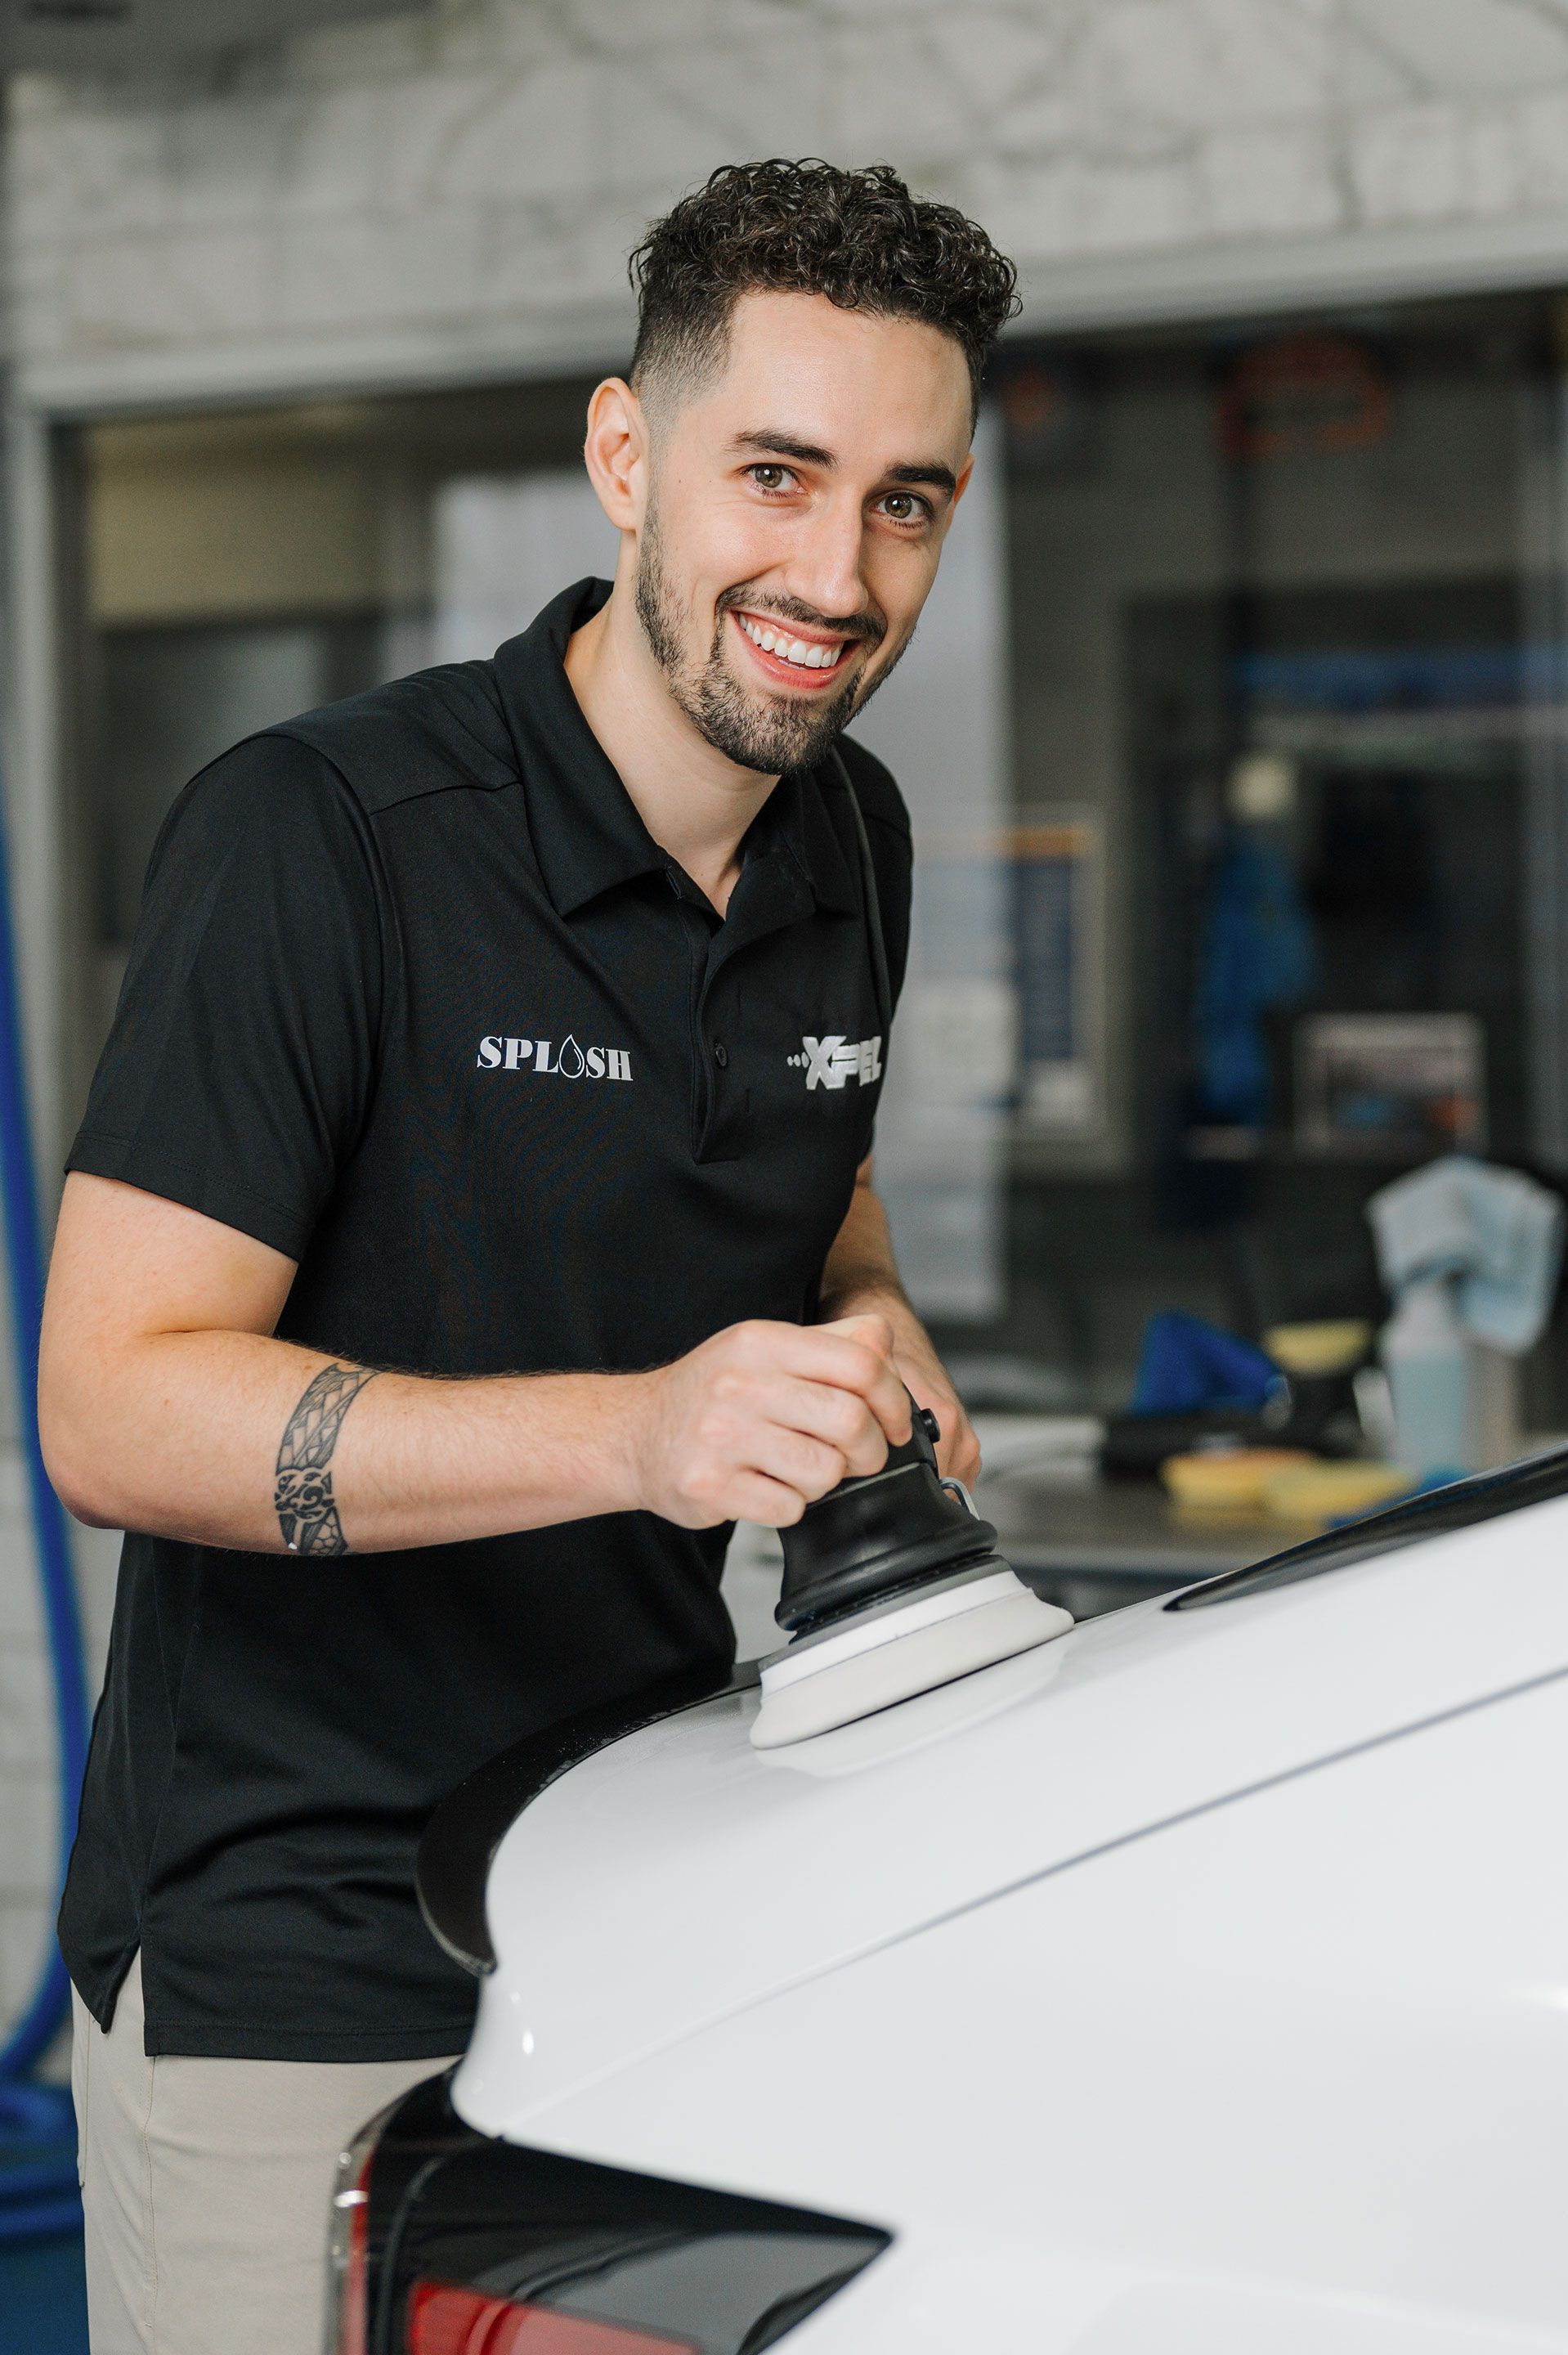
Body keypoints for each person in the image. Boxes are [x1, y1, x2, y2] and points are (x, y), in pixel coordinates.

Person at [38, 157, 1019, 2354]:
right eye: (776, 474)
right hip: (299, 1956)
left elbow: (800, 1173)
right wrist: (647, 1433)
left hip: (646, 1898)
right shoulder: (320, 838)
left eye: (906, 502)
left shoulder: (849, 835)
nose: (836, 571)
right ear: (623, 454)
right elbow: (112, 1405)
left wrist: (860, 1314)